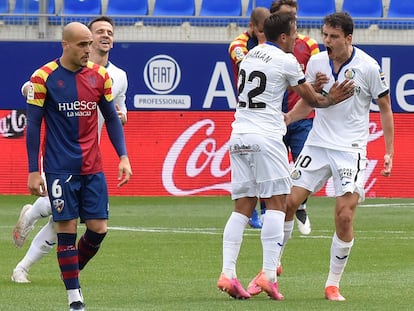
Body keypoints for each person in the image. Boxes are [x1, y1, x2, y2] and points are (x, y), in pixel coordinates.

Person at [216, 12, 354, 300]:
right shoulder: (287, 59)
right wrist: (333, 96)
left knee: (242, 207)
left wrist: (310, 87)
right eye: (293, 33)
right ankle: (268, 275)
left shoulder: (251, 54)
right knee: (278, 204)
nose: (296, 38)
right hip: (266, 136)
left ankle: (227, 274)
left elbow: (279, 87)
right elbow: (314, 101)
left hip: (239, 135)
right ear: (283, 36)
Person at [271, 12, 394, 301]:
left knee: (344, 216)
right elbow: (309, 101)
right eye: (325, 34)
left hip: (350, 149)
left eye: (333, 37)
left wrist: (389, 150)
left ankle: (332, 284)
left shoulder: (368, 67)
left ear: (348, 38)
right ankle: (273, 264)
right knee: (287, 201)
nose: (326, 41)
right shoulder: (316, 63)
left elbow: (385, 106)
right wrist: (288, 118)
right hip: (317, 144)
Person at [11, 16, 128, 285]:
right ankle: (25, 266)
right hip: (57, 153)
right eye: (99, 32)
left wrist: (121, 117)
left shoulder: (117, 76)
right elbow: (31, 93)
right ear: (83, 39)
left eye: (110, 32)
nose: (105, 36)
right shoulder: (53, 73)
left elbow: (118, 112)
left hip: (88, 156)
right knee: (63, 218)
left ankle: (29, 234)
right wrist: (34, 90)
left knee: (64, 219)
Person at [270, 0, 326, 236]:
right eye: (287, 16)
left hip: (301, 115)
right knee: (277, 169)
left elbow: (315, 76)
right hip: (273, 119)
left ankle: (300, 206)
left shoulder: (309, 45)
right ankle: (277, 211)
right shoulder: (268, 50)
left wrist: (318, 93)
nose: (293, 20)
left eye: (294, 15)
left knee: (304, 165)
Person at [228, 7, 270, 229]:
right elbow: (248, 65)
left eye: (266, 31)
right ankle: (250, 210)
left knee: (267, 164)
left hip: (268, 112)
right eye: (260, 30)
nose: (263, 35)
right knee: (248, 166)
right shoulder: (238, 45)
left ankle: (265, 208)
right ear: (252, 27)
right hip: (247, 111)